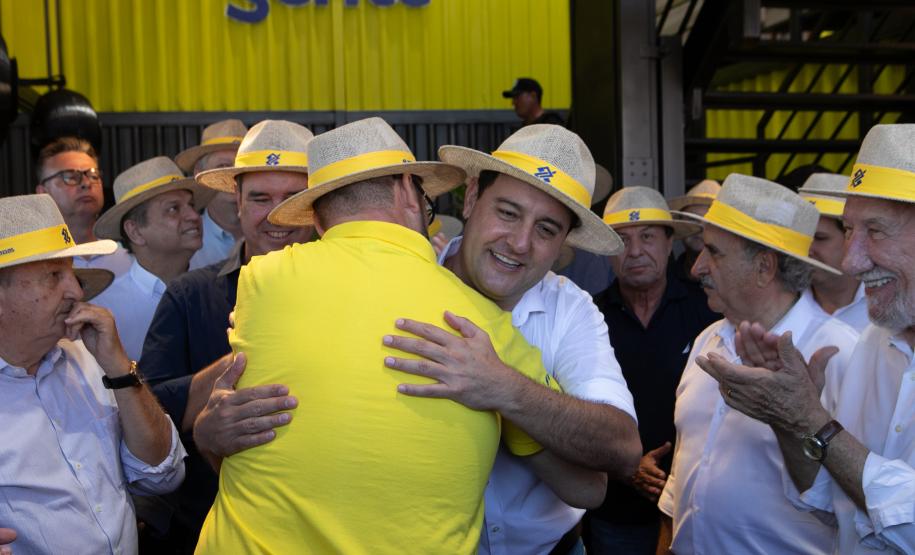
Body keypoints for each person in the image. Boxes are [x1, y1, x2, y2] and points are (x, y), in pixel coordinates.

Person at [194, 117, 594, 554]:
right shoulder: (482, 325)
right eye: (424, 198)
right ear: (408, 191)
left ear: (318, 216)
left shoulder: (260, 283)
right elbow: (589, 490)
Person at [377, 124, 642, 554]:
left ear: (562, 245)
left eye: (546, 229)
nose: (519, 243)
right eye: (508, 212)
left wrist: (503, 389)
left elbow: (622, 448)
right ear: (471, 197)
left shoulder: (570, 308)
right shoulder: (400, 286)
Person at [697, 124, 915, 554]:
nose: (851, 263)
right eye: (849, 230)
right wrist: (791, 420)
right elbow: (826, 503)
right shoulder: (874, 345)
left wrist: (811, 422)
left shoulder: (852, 343)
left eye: (874, 230)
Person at [656, 174, 859, 554]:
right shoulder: (707, 340)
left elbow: (860, 505)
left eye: (714, 253)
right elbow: (681, 482)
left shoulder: (839, 355)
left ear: (765, 267)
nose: (697, 267)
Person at [140, 119, 314, 549]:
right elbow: (146, 411)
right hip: (208, 528)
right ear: (236, 201)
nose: (276, 214)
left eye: (292, 199)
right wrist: (239, 362)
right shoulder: (189, 295)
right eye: (260, 198)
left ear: (317, 204)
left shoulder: (353, 292)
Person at [0, 194, 185, 555]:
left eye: (73, 272)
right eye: (54, 275)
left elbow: (162, 473)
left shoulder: (88, 358)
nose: (77, 291)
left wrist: (120, 369)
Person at [586, 187, 718, 554]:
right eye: (623, 240)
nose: (636, 251)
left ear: (670, 241)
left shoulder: (707, 313)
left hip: (693, 507)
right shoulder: (588, 317)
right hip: (616, 510)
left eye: (648, 237)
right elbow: (576, 413)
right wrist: (627, 467)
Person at [91, 157, 204, 360]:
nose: (194, 216)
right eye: (173, 209)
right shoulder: (105, 311)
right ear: (135, 231)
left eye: (192, 205)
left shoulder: (217, 287)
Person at [34, 137, 133, 276]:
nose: (86, 183)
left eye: (93, 175)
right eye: (70, 177)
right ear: (43, 193)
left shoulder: (132, 257)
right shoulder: (32, 264)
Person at [798, 172, 869, 332]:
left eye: (820, 238)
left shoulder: (888, 303)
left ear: (852, 238)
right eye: (801, 238)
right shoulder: (781, 305)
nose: (806, 249)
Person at [175, 119, 248, 270]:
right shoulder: (180, 240)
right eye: (223, 166)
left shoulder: (277, 235)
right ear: (199, 173)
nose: (233, 175)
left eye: (242, 167)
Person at [668, 179, 719, 282]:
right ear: (680, 223)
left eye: (709, 222)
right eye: (692, 219)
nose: (700, 228)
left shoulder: (735, 283)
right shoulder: (664, 280)